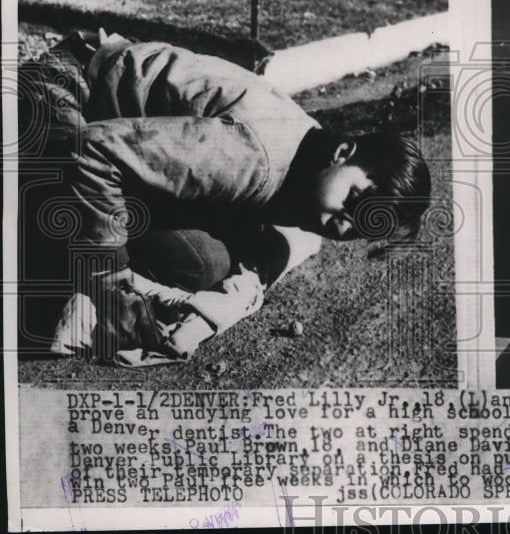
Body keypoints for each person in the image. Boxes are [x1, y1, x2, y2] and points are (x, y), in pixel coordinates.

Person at [19, 31, 431, 355]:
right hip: (57, 97)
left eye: (356, 230)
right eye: (352, 204)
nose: (337, 226)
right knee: (194, 263)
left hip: (100, 115)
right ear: (343, 153)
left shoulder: (313, 151)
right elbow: (91, 150)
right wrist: (110, 284)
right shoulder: (253, 156)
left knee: (214, 255)